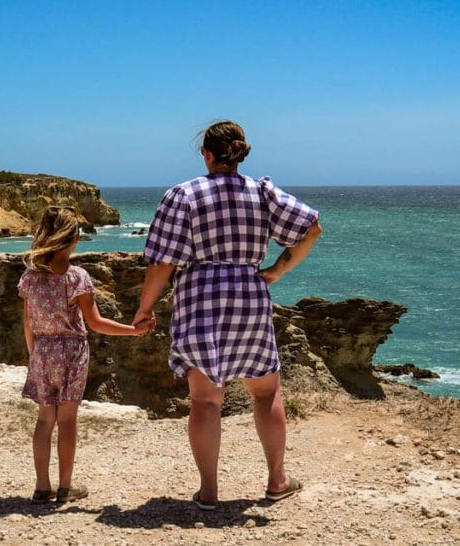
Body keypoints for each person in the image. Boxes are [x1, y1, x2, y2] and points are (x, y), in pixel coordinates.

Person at [135, 120, 322, 510]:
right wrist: (278, 270)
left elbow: (162, 262)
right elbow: (311, 228)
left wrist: (144, 308)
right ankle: (277, 480)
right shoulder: (261, 192)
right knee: (266, 391)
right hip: (249, 292)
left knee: (205, 401)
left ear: (207, 154)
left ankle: (208, 492)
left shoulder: (183, 195)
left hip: (199, 293)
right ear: (238, 153)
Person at [19, 205, 156, 504]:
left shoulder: (29, 277)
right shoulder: (77, 277)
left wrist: (34, 356)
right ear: (72, 238)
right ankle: (65, 488)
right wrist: (134, 330)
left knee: (45, 420)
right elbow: (95, 323)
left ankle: (42, 487)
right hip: (71, 350)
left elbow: (27, 323)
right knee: (67, 420)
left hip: (42, 349)